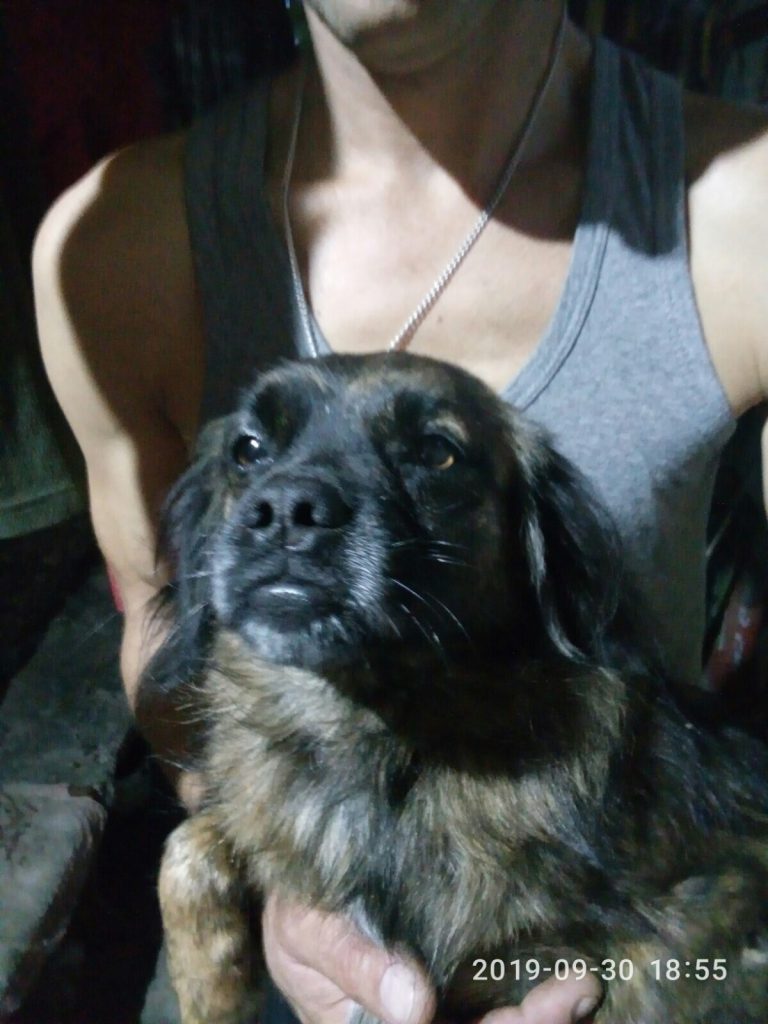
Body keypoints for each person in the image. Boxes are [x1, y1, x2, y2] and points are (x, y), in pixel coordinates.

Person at [32, 1, 768, 1021]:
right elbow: (167, 638)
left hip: (627, 892)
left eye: (432, 454)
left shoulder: (748, 214)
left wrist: (671, 984)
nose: (286, 506)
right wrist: (272, 880)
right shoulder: (112, 246)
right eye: (254, 455)